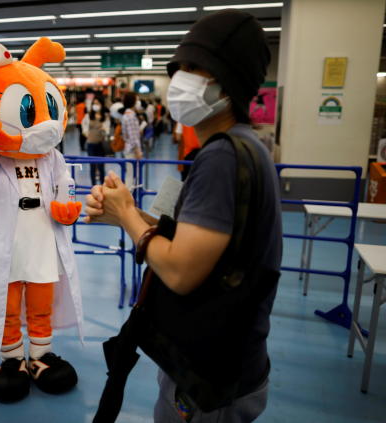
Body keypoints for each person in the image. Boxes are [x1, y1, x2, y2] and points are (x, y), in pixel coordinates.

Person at [86, 9, 281, 423]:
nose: (181, 80)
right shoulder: (247, 148)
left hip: (211, 372)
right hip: (228, 358)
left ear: (229, 82)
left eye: (196, 68)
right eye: (180, 68)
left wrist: (129, 219)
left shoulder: (222, 158)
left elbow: (180, 269)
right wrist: (125, 214)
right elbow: (200, 241)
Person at [82, 98, 110, 185]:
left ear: (101, 105)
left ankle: (102, 185)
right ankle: (93, 185)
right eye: (94, 103)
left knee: (101, 166)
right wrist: (87, 134)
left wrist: (104, 130)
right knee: (92, 166)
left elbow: (107, 130)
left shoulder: (105, 116)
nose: (96, 105)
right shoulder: (88, 115)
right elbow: (84, 126)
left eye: (97, 103)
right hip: (91, 144)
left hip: (100, 144)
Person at [121, 92, 142, 187]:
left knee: (131, 174)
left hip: (129, 148)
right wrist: (138, 151)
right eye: (137, 100)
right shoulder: (130, 116)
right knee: (131, 176)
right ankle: (129, 198)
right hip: (132, 151)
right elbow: (133, 137)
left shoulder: (127, 115)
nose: (138, 102)